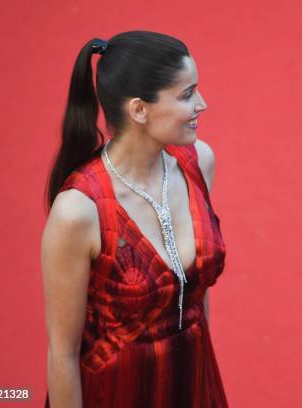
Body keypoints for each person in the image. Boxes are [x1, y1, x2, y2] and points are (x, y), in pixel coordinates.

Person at [41, 30, 228, 407]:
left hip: (194, 383)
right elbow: (62, 354)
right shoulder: (79, 211)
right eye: (187, 94)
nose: (202, 104)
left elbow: (196, 294)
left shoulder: (198, 164)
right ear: (139, 109)